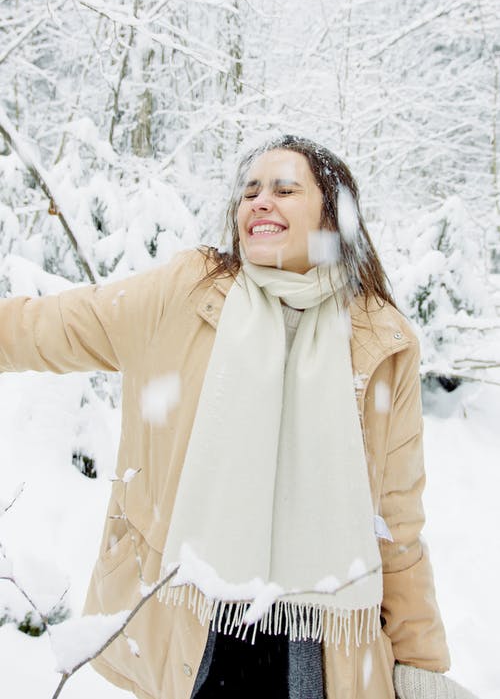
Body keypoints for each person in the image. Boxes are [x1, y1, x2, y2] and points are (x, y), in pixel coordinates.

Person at [0, 135, 477, 699]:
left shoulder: (380, 341)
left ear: (332, 213)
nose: (259, 201)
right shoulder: (186, 296)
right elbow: (55, 326)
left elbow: (396, 528)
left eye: (283, 189)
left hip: (319, 646)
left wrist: (420, 663)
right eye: (249, 191)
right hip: (195, 624)